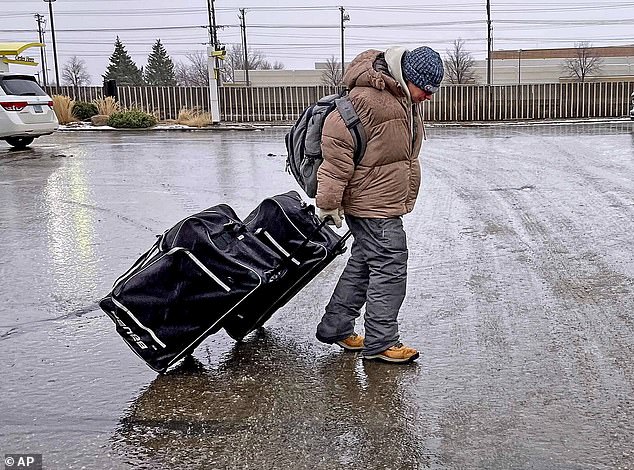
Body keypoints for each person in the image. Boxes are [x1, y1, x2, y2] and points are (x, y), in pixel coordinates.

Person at [314, 45, 444, 364]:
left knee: (364, 261)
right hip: (371, 204)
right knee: (390, 262)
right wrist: (328, 203)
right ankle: (381, 341)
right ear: (407, 77)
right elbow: (336, 155)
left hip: (381, 199)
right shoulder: (366, 99)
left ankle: (336, 326)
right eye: (425, 89)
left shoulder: (399, 95)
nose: (429, 97)